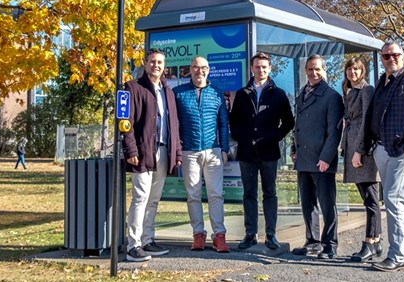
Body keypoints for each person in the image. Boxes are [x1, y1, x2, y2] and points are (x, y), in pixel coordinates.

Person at [362, 42, 404, 272]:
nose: (390, 58)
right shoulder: (382, 82)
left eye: (395, 54)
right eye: (386, 55)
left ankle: (396, 255)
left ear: (403, 57)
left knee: (391, 199)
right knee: (401, 200)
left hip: (402, 151)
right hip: (382, 149)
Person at [229, 52, 294, 251]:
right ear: (251, 68)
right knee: (249, 193)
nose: (261, 70)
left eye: (264, 67)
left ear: (270, 68)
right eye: (257, 66)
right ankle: (250, 234)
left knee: (270, 193)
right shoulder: (242, 94)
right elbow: (234, 121)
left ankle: (271, 234)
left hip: (269, 152)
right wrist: (242, 138)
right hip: (247, 153)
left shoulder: (279, 93)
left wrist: (273, 137)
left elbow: (289, 122)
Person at [123, 49, 182, 262]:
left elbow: (173, 125)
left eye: (160, 62)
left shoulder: (168, 92)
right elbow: (125, 123)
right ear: (145, 63)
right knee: (140, 198)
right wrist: (130, 150)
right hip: (142, 152)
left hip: (164, 151)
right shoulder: (132, 87)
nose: (156, 65)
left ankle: (147, 240)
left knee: (154, 200)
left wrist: (176, 152)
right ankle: (133, 246)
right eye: (152, 61)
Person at [173, 56, 231, 253]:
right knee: (193, 195)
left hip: (213, 151)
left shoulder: (216, 93)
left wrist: (224, 149)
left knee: (216, 194)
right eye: (196, 67)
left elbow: (223, 123)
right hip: (189, 151)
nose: (200, 71)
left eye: (203, 67)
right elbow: (174, 124)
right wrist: (178, 149)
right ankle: (198, 234)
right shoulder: (179, 93)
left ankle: (219, 235)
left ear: (209, 70)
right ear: (190, 70)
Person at [290, 55, 343, 259]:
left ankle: (330, 244)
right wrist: (294, 150)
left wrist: (327, 157)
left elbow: (334, 132)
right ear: (305, 71)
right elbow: (298, 127)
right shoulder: (301, 94)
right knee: (308, 203)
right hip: (303, 159)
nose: (314, 73)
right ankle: (312, 241)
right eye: (310, 69)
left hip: (322, 160)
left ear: (324, 71)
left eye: (318, 69)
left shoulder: (332, 96)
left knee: (327, 204)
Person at [340, 56, 382, 262]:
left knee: (371, 199)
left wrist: (359, 150)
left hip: (362, 150)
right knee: (368, 198)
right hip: (352, 145)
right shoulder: (348, 90)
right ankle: (377, 242)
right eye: (349, 69)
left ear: (362, 71)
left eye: (356, 70)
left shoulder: (367, 90)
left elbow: (367, 120)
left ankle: (369, 242)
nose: (352, 73)